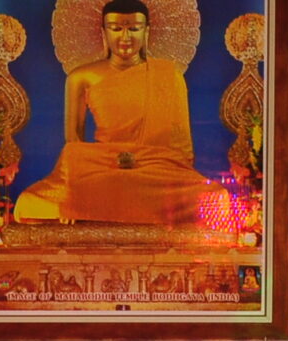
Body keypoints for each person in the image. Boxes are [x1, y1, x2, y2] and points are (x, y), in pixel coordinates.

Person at [12, 0, 213, 228]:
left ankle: (101, 207)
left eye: (134, 28)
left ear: (147, 32)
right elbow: (74, 144)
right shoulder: (81, 77)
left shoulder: (169, 76)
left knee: (215, 198)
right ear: (103, 32)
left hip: (156, 175)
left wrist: (177, 178)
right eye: (116, 28)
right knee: (29, 201)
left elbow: (182, 147)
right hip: (103, 171)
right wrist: (75, 189)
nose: (125, 37)